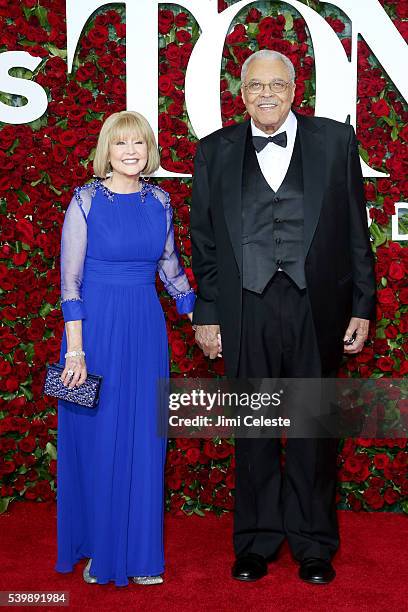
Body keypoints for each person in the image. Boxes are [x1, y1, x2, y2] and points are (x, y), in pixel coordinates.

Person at [190, 50, 375, 584]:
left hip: (315, 306)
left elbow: (356, 232)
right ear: (241, 92)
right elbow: (203, 242)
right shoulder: (214, 151)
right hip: (243, 309)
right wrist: (207, 311)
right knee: (253, 431)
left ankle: (314, 544)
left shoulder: (335, 142)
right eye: (255, 86)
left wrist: (362, 305)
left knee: (313, 429)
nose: (266, 94)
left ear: (295, 89)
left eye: (276, 84)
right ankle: (256, 541)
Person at [55, 110, 195, 587]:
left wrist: (207, 319)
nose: (131, 152)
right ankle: (100, 549)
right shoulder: (86, 201)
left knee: (143, 441)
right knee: (97, 443)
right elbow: (70, 282)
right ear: (106, 151)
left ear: (149, 150)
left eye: (139, 143)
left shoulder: (161, 200)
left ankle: (139, 555)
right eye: (121, 144)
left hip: (145, 331)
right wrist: (75, 352)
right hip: (93, 336)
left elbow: (170, 269)